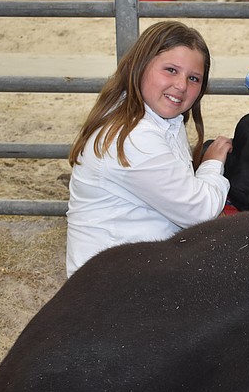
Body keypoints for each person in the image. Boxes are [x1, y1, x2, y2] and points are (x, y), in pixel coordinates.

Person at [65, 21, 232, 277]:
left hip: (131, 265)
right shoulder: (133, 138)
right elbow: (200, 213)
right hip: (115, 283)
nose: (181, 85)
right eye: (171, 70)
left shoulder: (155, 119)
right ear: (140, 66)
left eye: (193, 78)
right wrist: (212, 164)